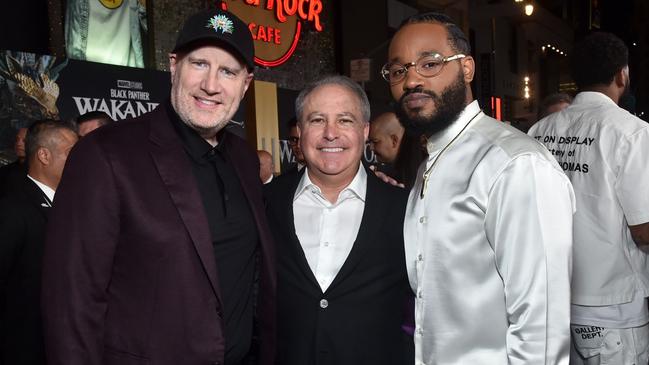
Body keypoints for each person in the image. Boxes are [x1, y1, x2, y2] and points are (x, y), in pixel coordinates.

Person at [41, 9, 276, 365]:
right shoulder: (106, 154)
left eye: (227, 71)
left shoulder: (244, 159)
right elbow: (72, 301)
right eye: (199, 64)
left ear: (245, 84)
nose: (211, 84)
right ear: (173, 65)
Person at [382, 12, 575, 364]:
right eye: (398, 70)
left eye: (430, 63)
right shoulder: (429, 162)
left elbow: (542, 330)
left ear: (467, 68)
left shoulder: (514, 164)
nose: (411, 80)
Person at [265, 75, 411, 365]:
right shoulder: (265, 202)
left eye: (345, 120)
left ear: (365, 130)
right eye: (317, 120)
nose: (331, 133)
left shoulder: (405, 208)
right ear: (300, 130)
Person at [528, 32, 649, 365]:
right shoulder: (631, 133)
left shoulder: (539, 132)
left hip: (553, 303)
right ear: (622, 74)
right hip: (612, 307)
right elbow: (643, 230)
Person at [1, 119, 77, 365]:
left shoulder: (74, 203)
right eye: (71, 153)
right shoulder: (11, 206)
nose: (79, 160)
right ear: (44, 155)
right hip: (21, 345)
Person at [0, 127, 28, 197]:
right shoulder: (4, 172)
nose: (18, 143)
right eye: (17, 140)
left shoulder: (43, 173)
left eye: (25, 140)